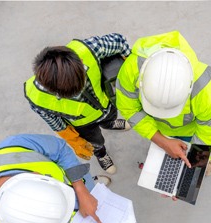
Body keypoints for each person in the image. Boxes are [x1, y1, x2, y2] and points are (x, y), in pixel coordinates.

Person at [0, 134, 136, 223]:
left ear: (36, 175)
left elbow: (61, 150)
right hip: (80, 219)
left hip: (79, 184)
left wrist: (82, 189)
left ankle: (92, 186)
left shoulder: (16, 147)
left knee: (88, 184)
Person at [116, 31, 211, 187]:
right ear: (142, 80)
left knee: (196, 160)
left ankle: (204, 162)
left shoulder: (209, 92)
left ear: (190, 87)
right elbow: (129, 110)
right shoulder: (132, 69)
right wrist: (161, 142)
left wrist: (193, 171)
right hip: (159, 130)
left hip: (191, 132)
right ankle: (160, 149)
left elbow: (209, 135)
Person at [24, 33, 132, 175]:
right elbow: (55, 122)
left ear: (80, 62)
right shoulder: (37, 98)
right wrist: (74, 140)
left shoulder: (90, 49)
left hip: (106, 105)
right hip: (83, 124)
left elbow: (119, 41)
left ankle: (109, 124)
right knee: (95, 142)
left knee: (110, 117)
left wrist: (131, 69)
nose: (78, 94)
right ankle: (101, 154)